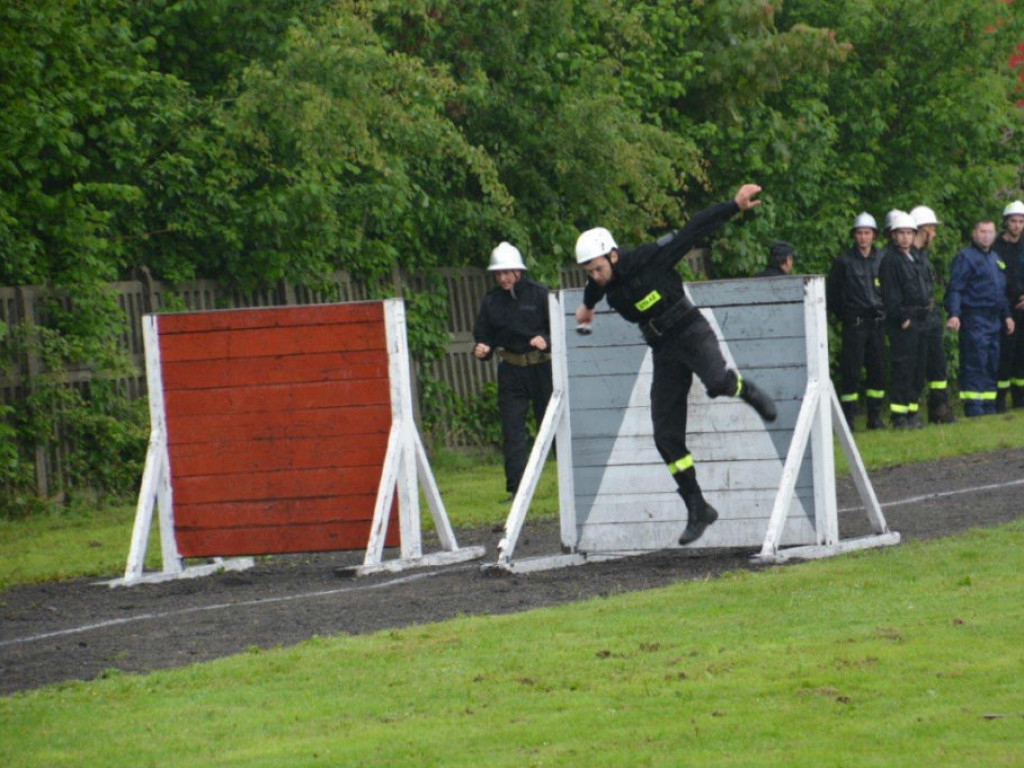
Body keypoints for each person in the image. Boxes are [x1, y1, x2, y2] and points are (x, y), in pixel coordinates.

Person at [573, 184, 777, 547]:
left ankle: (745, 389)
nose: (595, 275)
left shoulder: (651, 258)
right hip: (663, 350)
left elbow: (694, 228)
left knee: (716, 382)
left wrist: (733, 206)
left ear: (614, 256)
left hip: (689, 329)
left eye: (598, 268)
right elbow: (594, 291)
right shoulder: (602, 283)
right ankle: (697, 506)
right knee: (665, 437)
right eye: (589, 271)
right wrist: (587, 307)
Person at [472, 242, 553, 498]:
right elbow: (484, 333)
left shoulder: (540, 294)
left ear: (518, 271)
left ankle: (571, 483)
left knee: (551, 428)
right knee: (512, 430)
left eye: (507, 272)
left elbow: (559, 328)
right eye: (498, 273)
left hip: (542, 368)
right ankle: (516, 489)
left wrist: (546, 340)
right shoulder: (491, 301)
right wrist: (482, 348)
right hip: (511, 371)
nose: (503, 278)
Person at [944, 219, 1016, 416]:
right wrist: (955, 314)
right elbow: (956, 289)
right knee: (975, 361)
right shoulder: (965, 258)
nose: (987, 236)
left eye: (990, 232)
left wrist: (1007, 316)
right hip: (974, 317)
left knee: (992, 362)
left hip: (994, 319)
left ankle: (988, 405)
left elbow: (1000, 292)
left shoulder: (995, 259)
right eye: (982, 232)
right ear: (974, 234)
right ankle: (974, 406)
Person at [826, 212, 887, 431]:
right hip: (855, 324)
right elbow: (832, 294)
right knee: (851, 373)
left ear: (874, 235)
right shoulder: (844, 261)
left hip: (877, 324)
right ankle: (848, 420)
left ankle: (875, 417)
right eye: (859, 233)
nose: (863, 237)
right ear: (854, 236)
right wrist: (845, 316)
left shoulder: (882, 258)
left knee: (877, 371)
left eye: (867, 233)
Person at [878, 211, 930, 428]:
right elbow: (890, 294)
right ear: (893, 235)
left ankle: (912, 411)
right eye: (901, 233)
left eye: (909, 233)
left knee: (919, 367)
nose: (906, 237)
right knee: (903, 367)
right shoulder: (890, 260)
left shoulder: (916, 258)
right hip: (904, 322)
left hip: (920, 319)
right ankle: (899, 415)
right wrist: (903, 317)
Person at [909, 205, 955, 424]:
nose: (934, 234)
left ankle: (940, 408)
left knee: (938, 365)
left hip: (930, 319)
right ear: (924, 229)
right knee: (915, 368)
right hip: (917, 321)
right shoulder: (907, 258)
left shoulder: (923, 258)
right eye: (933, 229)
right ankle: (911, 412)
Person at [993, 200, 1024, 410]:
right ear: (1005, 222)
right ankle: (1000, 399)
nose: (1017, 226)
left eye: (1021, 221)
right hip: (1004, 307)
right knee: (1005, 353)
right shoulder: (996, 247)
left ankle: (1020, 398)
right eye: (1013, 221)